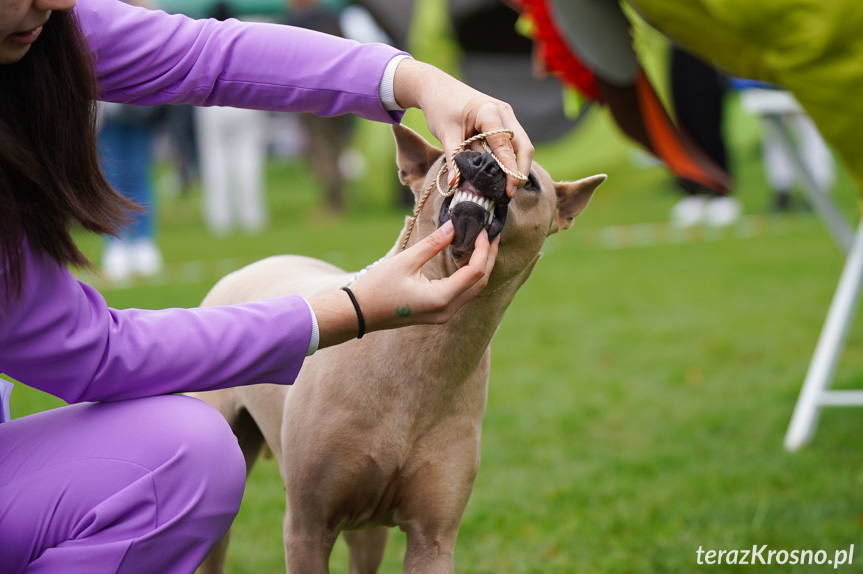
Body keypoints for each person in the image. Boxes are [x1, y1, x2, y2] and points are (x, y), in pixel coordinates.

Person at [0, 0, 533, 572]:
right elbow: (94, 352)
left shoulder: (48, 25)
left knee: (188, 453)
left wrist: (419, 81)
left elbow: (207, 55)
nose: (58, 1)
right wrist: (351, 308)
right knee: (190, 455)